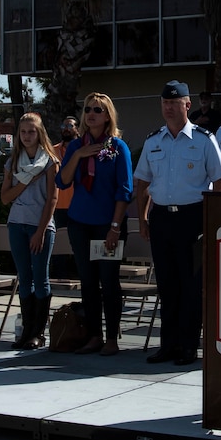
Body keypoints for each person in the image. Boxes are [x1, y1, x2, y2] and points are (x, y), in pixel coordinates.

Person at [132, 79, 221, 366]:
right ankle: (169, 346)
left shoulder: (203, 139)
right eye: (165, 103)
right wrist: (143, 219)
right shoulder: (153, 141)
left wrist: (216, 223)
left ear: (188, 105)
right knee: (167, 285)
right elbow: (143, 184)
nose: (169, 108)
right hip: (162, 217)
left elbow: (219, 181)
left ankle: (189, 347)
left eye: (175, 103)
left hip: (194, 218)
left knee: (191, 286)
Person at [56, 92, 133, 355]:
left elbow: (124, 191)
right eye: (88, 109)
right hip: (80, 222)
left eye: (98, 110)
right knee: (87, 282)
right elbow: (62, 181)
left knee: (108, 281)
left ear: (108, 115)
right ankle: (93, 335)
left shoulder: (117, 147)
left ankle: (112, 338)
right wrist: (79, 156)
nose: (91, 113)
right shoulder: (77, 146)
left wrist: (114, 227)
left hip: (107, 225)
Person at [1, 113, 61, 349]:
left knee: (40, 278)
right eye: (23, 132)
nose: (27, 136)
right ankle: (26, 331)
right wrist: (24, 182)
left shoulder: (49, 162)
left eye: (31, 132)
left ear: (40, 134)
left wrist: (41, 230)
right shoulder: (13, 162)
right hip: (17, 224)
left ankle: (38, 332)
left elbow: (52, 199)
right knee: (24, 279)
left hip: (40, 226)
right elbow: (5, 197)